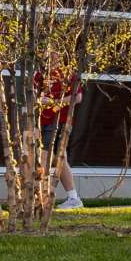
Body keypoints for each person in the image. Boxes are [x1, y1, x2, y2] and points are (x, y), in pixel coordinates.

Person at [34, 61, 85, 210]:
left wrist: (55, 103)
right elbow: (32, 97)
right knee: (59, 159)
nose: (49, 55)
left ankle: (41, 200)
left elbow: (78, 97)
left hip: (59, 122)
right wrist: (39, 101)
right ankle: (73, 198)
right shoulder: (39, 75)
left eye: (54, 52)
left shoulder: (68, 74)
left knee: (46, 157)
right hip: (41, 122)